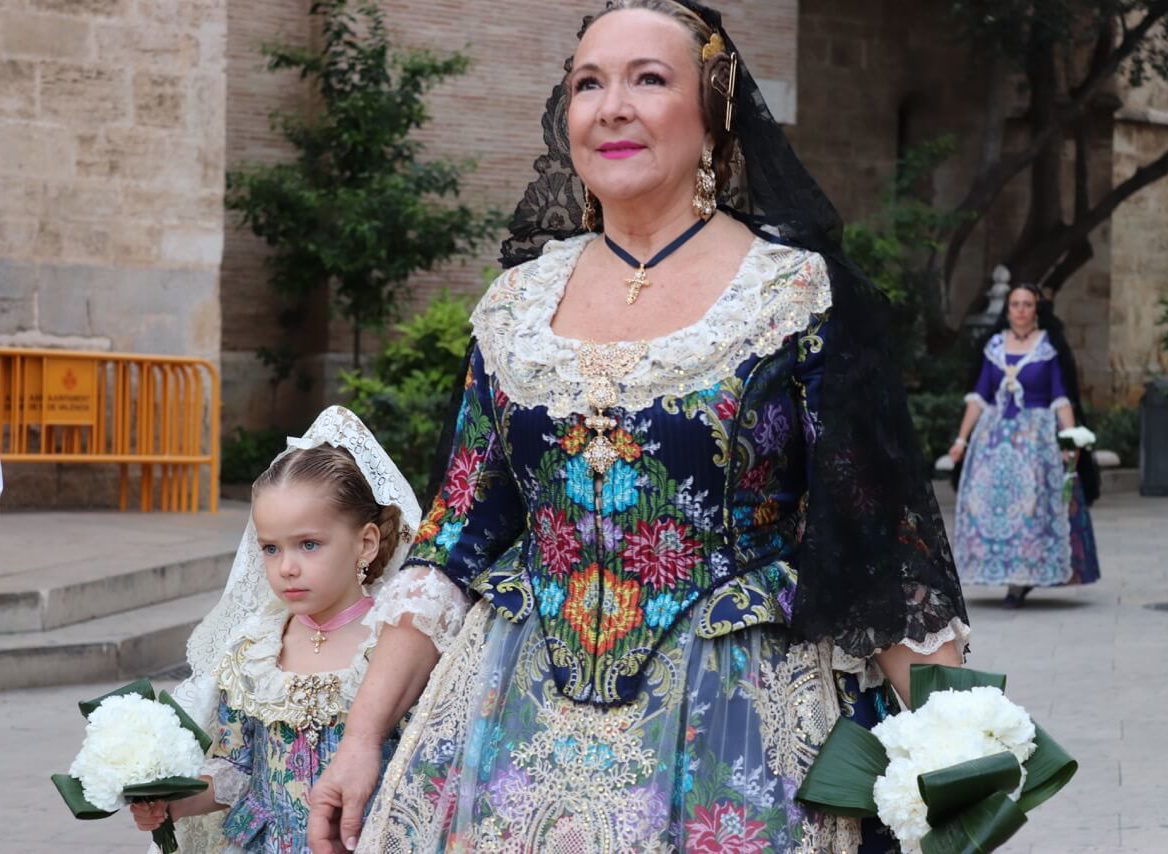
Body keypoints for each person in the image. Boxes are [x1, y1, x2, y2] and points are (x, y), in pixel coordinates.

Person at [309, 2, 969, 851]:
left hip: (736, 737)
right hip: (509, 733)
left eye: (648, 79)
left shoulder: (794, 298)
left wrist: (964, 746)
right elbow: (456, 535)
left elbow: (881, 546)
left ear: (713, 113)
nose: (611, 105)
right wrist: (363, 738)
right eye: (589, 83)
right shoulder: (515, 306)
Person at [128, 406, 422, 852]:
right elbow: (236, 767)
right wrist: (176, 803)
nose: (287, 567)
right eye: (270, 547)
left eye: (309, 544)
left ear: (365, 542)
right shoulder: (254, 650)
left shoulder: (396, 643)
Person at [949, 283, 1101, 608]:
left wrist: (1069, 439)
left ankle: (1022, 579)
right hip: (993, 439)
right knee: (988, 503)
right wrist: (961, 439)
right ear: (1007, 310)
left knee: (1031, 506)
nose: (1020, 310)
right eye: (1015, 304)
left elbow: (1061, 398)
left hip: (1036, 439)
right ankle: (1000, 569)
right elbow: (979, 397)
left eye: (1026, 304)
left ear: (1036, 310)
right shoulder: (993, 346)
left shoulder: (1047, 348)